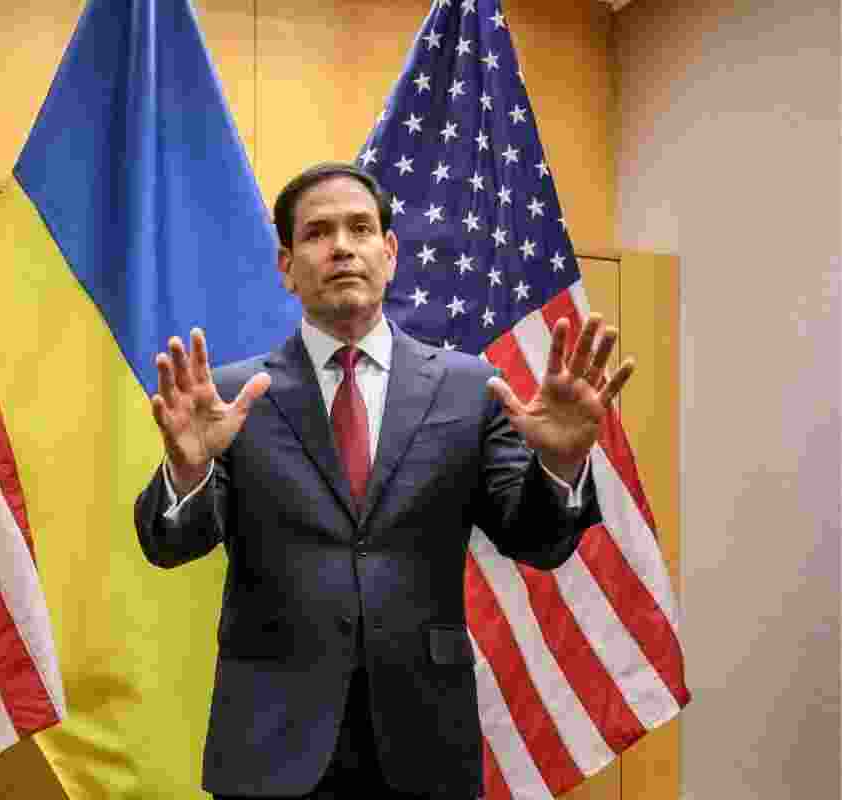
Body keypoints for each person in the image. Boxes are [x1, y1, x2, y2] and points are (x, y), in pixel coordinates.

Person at [134, 162, 634, 799]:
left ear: (389, 252)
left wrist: (560, 465)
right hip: (270, 746)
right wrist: (188, 467)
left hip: (425, 741)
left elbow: (536, 539)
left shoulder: (470, 387)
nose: (342, 246)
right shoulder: (232, 398)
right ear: (286, 266)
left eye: (360, 228)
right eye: (318, 233)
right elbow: (171, 544)